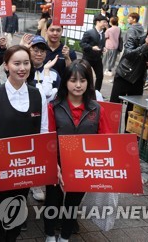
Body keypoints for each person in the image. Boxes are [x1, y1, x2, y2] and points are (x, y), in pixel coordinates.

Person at [0, 45, 48, 242]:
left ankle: (12, 236)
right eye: (16, 63)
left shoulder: (38, 94)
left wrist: (42, 166)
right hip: (2, 164)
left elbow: (43, 131)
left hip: (26, 165)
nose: (22, 68)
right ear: (6, 65)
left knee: (20, 201)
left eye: (26, 63)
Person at [44, 60, 112, 242]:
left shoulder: (97, 109)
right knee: (52, 200)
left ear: (89, 82)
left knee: (73, 203)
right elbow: (48, 139)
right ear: (65, 81)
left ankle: (65, 237)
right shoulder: (54, 107)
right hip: (56, 164)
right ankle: (50, 235)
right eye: (73, 80)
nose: (78, 85)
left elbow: (106, 140)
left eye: (83, 80)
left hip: (83, 167)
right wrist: (53, 165)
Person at [110, 22, 148, 104]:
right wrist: (146, 45)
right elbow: (128, 54)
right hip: (124, 75)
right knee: (115, 105)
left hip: (138, 80)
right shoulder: (135, 39)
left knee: (133, 109)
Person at [80, 14, 107, 91]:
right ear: (97, 22)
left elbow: (101, 44)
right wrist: (91, 47)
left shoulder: (103, 33)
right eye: (104, 22)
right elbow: (82, 44)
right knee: (85, 75)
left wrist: (103, 48)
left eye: (106, 22)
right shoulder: (89, 32)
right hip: (87, 58)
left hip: (98, 59)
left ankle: (97, 92)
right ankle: (85, 90)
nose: (105, 24)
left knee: (100, 76)